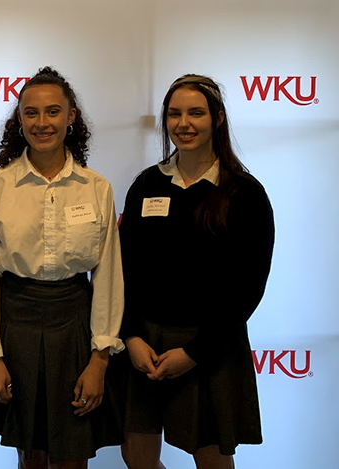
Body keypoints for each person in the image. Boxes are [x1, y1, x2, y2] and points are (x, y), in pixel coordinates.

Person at [0, 67, 124, 469]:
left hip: (75, 326)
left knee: (72, 455)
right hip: (16, 324)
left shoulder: (97, 187)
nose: (42, 123)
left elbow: (108, 277)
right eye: (31, 113)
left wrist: (99, 359)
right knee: (32, 456)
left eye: (53, 112)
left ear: (71, 117)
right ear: (19, 120)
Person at [118, 74, 275, 469]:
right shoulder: (146, 185)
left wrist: (194, 352)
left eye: (196, 113)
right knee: (137, 457)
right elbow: (124, 269)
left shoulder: (245, 193)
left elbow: (247, 288)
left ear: (217, 118)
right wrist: (131, 335)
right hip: (145, 344)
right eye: (174, 114)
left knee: (212, 460)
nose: (183, 123)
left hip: (211, 346)